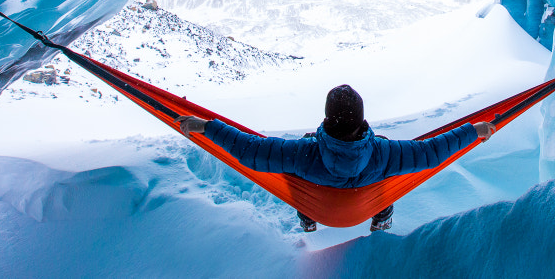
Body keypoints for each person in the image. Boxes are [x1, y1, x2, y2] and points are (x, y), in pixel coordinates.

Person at [176, 84, 496, 232]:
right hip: (364, 206)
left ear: (327, 119)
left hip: (321, 207)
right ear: (361, 121)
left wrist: (207, 127)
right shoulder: (383, 153)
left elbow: (252, 152)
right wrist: (473, 131)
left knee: (293, 170)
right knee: (386, 178)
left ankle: (308, 221)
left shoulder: (304, 153)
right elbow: (430, 153)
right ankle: (381, 219)